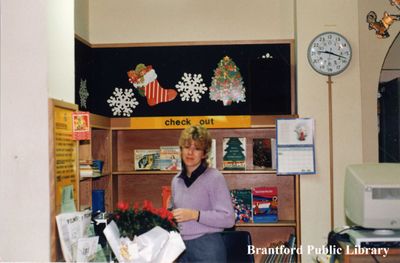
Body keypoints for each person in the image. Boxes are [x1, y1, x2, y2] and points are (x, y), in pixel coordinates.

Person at [171, 125, 235, 263]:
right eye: (187, 147)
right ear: (181, 150)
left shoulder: (214, 177)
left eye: (197, 149)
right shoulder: (176, 181)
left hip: (208, 247)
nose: (190, 152)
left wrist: (195, 215)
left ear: (204, 153)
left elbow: (228, 219)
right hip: (180, 248)